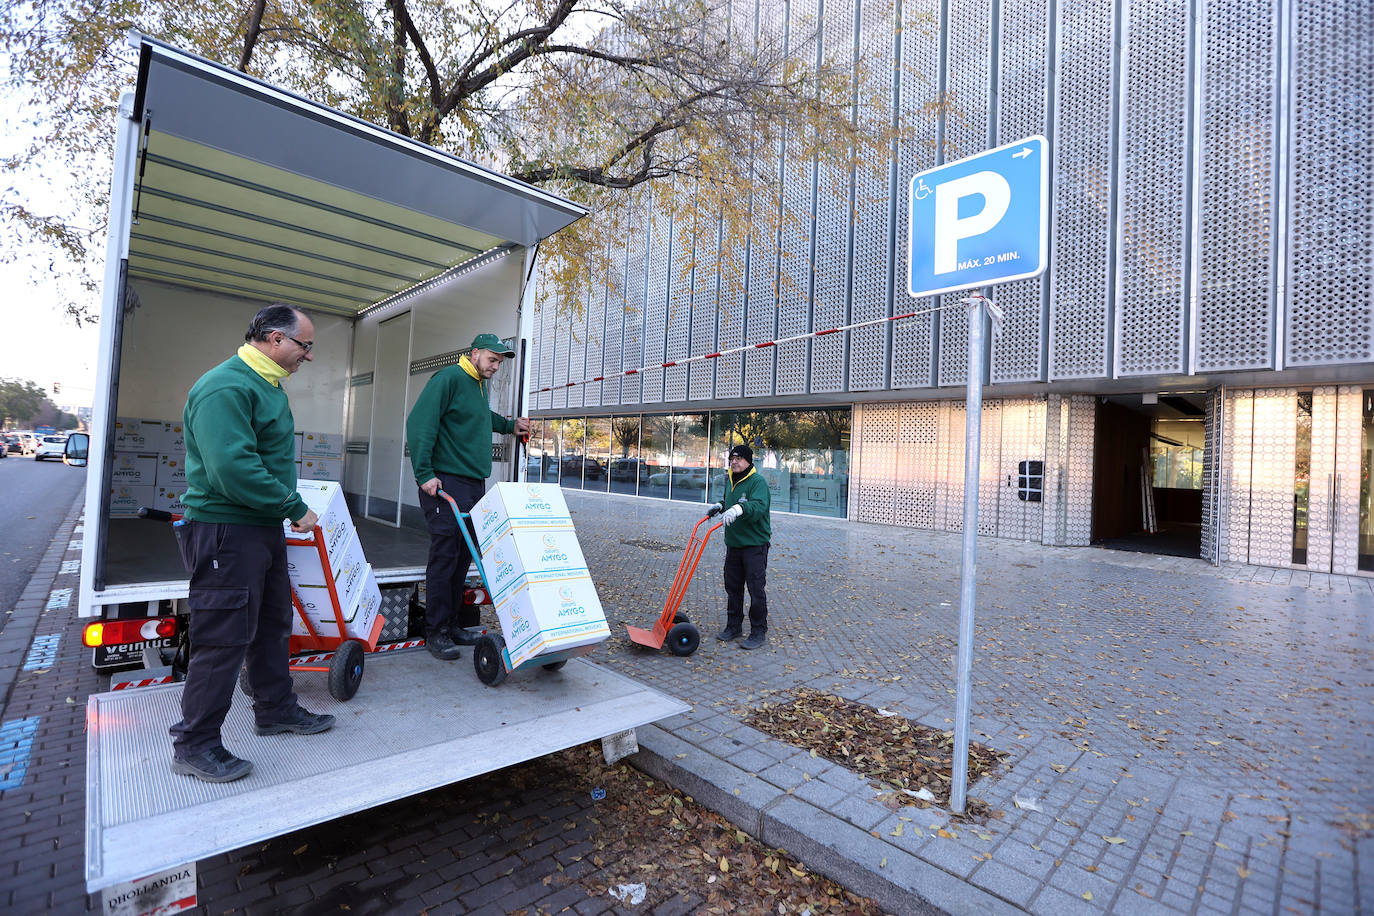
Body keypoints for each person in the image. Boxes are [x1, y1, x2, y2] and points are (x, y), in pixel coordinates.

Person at [171, 303, 335, 784]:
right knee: (223, 639)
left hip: (258, 529)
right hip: (226, 530)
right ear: (274, 338)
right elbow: (232, 469)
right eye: (304, 345)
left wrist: (280, 510)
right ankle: (194, 744)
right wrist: (292, 505)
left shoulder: (266, 386)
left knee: (271, 624)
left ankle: (276, 708)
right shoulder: (227, 386)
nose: (308, 356)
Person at [407, 333, 530, 660]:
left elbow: (479, 418)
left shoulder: (478, 384)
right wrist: (424, 475)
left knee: (463, 556)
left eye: (499, 363)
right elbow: (420, 424)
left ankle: (452, 625)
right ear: (474, 353)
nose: (495, 367)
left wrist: (508, 425)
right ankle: (435, 632)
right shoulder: (447, 379)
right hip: (445, 482)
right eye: (492, 359)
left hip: (473, 484)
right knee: (445, 556)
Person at [708, 443, 773, 649]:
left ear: (748, 461)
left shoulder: (757, 482)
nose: (734, 462)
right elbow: (732, 501)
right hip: (734, 545)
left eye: (739, 458)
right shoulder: (731, 480)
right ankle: (734, 626)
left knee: (756, 589)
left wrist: (739, 508)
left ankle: (758, 631)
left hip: (754, 545)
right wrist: (722, 505)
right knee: (733, 587)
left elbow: (759, 506)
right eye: (732, 458)